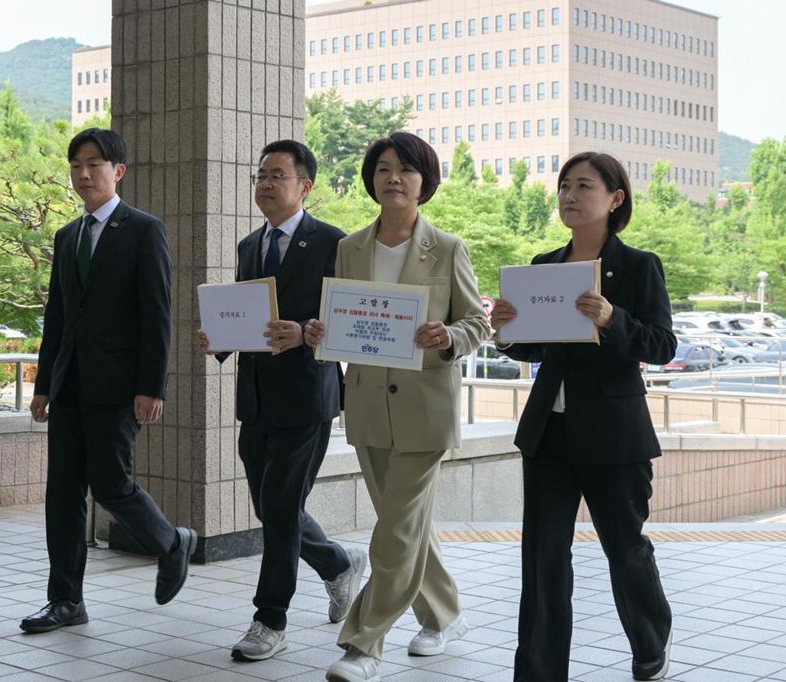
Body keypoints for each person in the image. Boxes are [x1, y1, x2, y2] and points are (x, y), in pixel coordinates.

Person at [306, 132, 490, 682]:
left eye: (407, 170)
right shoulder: (350, 247)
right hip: (366, 408)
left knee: (396, 533)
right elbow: (341, 323)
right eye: (384, 169)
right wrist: (320, 332)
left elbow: (478, 324)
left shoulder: (449, 248)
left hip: (424, 409)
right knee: (403, 526)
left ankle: (364, 645)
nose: (394, 178)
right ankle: (443, 615)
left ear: (424, 182)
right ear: (371, 180)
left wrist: (448, 336)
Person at [491, 151, 676, 681]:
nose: (569, 196)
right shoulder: (544, 265)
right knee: (543, 558)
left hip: (616, 435)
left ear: (615, 199)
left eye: (584, 186)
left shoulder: (639, 265)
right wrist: (506, 331)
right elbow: (535, 349)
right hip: (550, 431)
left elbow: (662, 345)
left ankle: (649, 642)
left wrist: (613, 318)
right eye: (564, 186)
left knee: (625, 548)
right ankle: (539, 671)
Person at [21, 128, 196, 634]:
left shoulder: (144, 229)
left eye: (94, 164)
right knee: (63, 494)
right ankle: (65, 600)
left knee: (111, 483)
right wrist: (44, 383)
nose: (83, 173)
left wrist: (152, 386)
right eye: (76, 164)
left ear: (118, 171)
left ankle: (170, 542)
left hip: (120, 385)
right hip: (70, 384)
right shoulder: (68, 235)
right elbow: (58, 316)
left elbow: (157, 314)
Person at [197, 140, 366, 662]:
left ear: (304, 185)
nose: (265, 184)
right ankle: (338, 564)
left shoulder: (333, 243)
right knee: (274, 507)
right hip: (255, 399)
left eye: (277, 175)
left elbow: (355, 318)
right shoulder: (250, 244)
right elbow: (248, 316)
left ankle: (270, 619)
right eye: (260, 175)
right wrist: (219, 338)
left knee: (279, 507)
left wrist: (309, 333)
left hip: (307, 396)